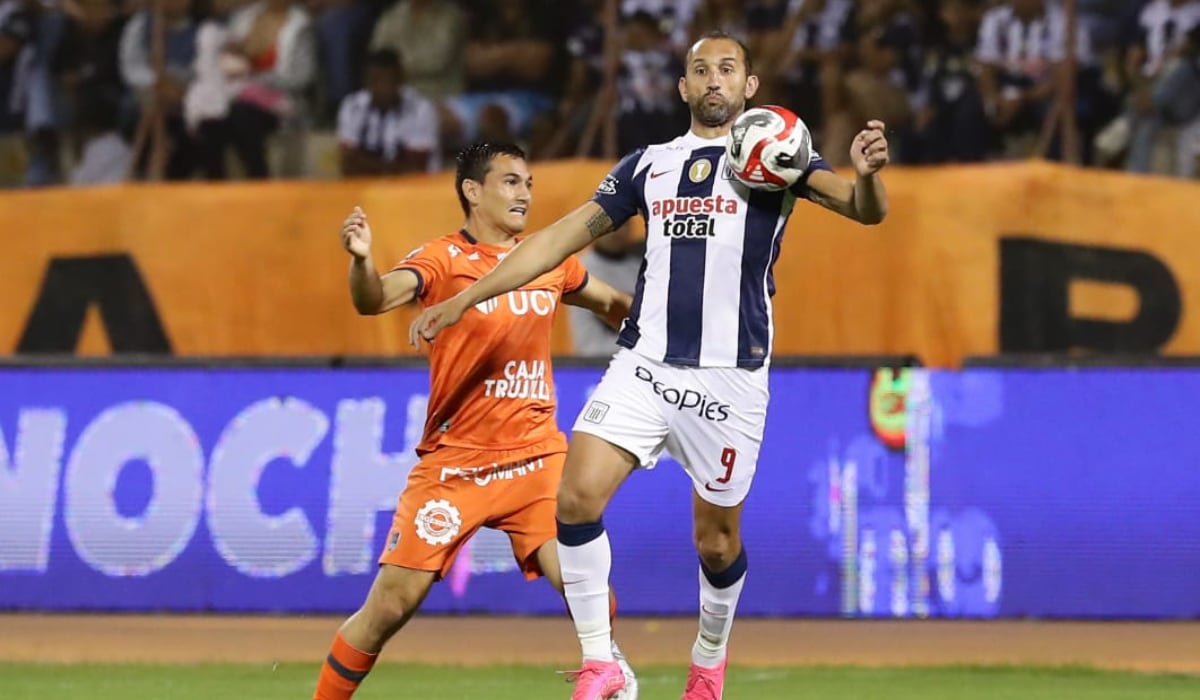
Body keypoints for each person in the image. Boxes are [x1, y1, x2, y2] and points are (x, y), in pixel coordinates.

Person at [410, 31, 890, 700]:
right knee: (574, 499)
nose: (714, 79)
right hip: (646, 363)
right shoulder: (650, 165)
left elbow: (863, 211)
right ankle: (601, 662)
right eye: (701, 70)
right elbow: (554, 239)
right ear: (683, 88)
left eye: (728, 68)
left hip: (731, 377)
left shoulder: (777, 152)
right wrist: (466, 295)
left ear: (750, 86)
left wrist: (866, 179)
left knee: (717, 544)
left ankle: (707, 666)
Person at [311, 142, 639, 700]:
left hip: (535, 458)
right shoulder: (441, 260)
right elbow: (375, 300)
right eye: (510, 182)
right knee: (390, 606)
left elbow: (611, 304)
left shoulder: (548, 259)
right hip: (455, 463)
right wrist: (362, 261)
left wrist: (663, 327)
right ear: (472, 190)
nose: (524, 194)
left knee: (583, 578)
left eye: (528, 183)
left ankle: (609, 670)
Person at [337, 49, 440, 176]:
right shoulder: (352, 106)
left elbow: (416, 168)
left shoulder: (421, 109)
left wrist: (366, 164)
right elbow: (348, 165)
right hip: (366, 188)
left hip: (410, 190)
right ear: (366, 81)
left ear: (401, 79)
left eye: (389, 81)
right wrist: (389, 169)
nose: (383, 88)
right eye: (376, 80)